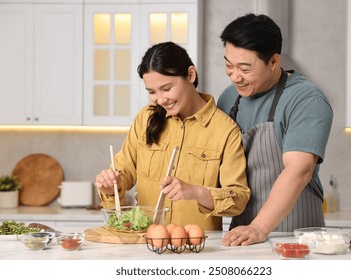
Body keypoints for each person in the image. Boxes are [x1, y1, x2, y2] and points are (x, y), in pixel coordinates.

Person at [95, 41, 250, 230]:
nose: (161, 99)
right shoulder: (146, 118)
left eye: (167, 88)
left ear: (191, 75)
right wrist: (110, 185)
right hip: (146, 242)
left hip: (197, 248)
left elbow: (238, 198)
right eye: (152, 92)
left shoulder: (225, 130)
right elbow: (123, 173)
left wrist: (195, 192)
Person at [217, 13, 333, 245]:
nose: (235, 76)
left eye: (245, 68)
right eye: (229, 65)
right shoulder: (229, 98)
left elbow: (300, 170)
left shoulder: (306, 99)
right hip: (242, 234)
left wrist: (259, 227)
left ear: (273, 61)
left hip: (296, 235)